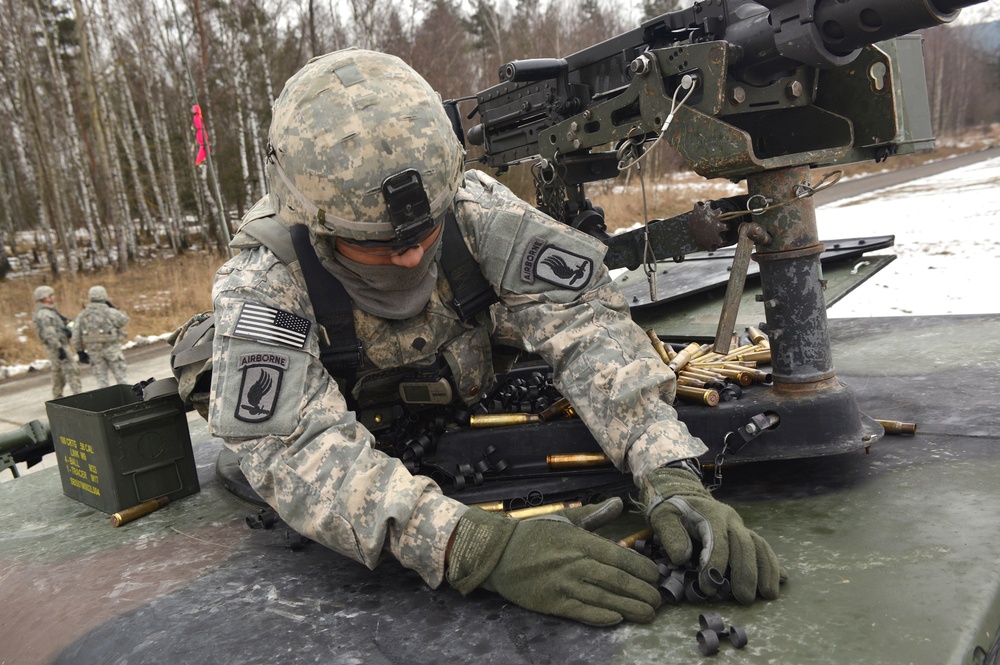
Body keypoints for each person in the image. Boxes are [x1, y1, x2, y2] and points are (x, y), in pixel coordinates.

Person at [206, 49, 783, 627]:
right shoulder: (265, 282)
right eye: (378, 244)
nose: (409, 257)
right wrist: (475, 547)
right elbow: (294, 450)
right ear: (315, 223)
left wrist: (666, 467)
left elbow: (588, 327)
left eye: (425, 230)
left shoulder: (473, 211)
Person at [73, 285, 130, 388]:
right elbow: (124, 320)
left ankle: (107, 402)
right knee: (121, 379)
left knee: (101, 381)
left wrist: (80, 351)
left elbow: (76, 334)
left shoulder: (83, 315)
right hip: (112, 349)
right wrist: (112, 307)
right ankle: (128, 400)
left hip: (94, 352)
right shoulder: (110, 312)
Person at [32, 285, 82, 399]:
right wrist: (59, 349)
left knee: (59, 373)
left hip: (60, 345)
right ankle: (78, 395)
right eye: (51, 295)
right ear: (44, 298)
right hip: (57, 347)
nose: (53, 297)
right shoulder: (45, 314)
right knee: (71, 370)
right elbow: (49, 334)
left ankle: (58, 396)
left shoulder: (51, 311)